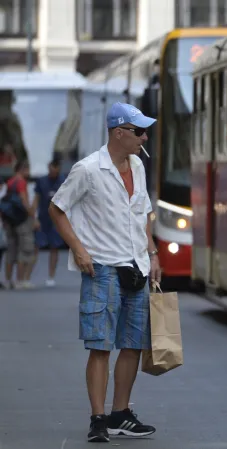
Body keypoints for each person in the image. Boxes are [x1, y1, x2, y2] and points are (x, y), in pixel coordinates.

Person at [49, 102, 162, 443]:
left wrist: (152, 252)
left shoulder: (138, 166)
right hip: (102, 268)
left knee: (132, 345)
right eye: (139, 131)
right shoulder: (88, 169)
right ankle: (98, 418)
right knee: (100, 347)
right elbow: (57, 209)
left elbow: (142, 212)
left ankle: (120, 413)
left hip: (137, 266)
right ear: (119, 132)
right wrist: (79, 250)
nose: (145, 136)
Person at [3, 160, 37, 289]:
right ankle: (20, 280)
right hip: (22, 220)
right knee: (25, 249)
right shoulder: (21, 182)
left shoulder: (10, 182)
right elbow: (24, 200)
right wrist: (31, 214)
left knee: (11, 250)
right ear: (23, 169)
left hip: (10, 220)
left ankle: (8, 280)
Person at [34, 157, 66, 287]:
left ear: (58, 168)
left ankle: (51, 276)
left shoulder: (64, 180)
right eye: (51, 168)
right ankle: (26, 276)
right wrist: (34, 217)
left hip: (57, 218)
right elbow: (36, 199)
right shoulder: (41, 181)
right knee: (35, 245)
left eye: (55, 168)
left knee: (54, 247)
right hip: (43, 217)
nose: (53, 171)